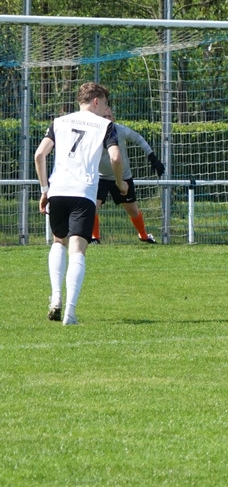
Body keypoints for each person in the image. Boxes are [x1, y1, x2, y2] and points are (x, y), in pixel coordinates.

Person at [33, 82, 127, 326]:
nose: (106, 109)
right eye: (105, 103)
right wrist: (120, 182)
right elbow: (116, 157)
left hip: (57, 190)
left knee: (58, 241)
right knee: (77, 249)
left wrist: (45, 190)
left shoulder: (59, 122)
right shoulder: (105, 125)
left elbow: (39, 155)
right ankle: (70, 313)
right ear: (96, 101)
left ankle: (55, 298)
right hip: (83, 192)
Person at [91, 105, 165, 244]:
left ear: (113, 118)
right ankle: (95, 238)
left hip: (123, 176)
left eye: (109, 116)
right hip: (100, 177)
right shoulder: (93, 132)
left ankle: (143, 235)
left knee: (133, 211)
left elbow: (139, 139)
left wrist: (152, 158)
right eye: (103, 117)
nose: (107, 119)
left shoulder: (121, 130)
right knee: (92, 207)